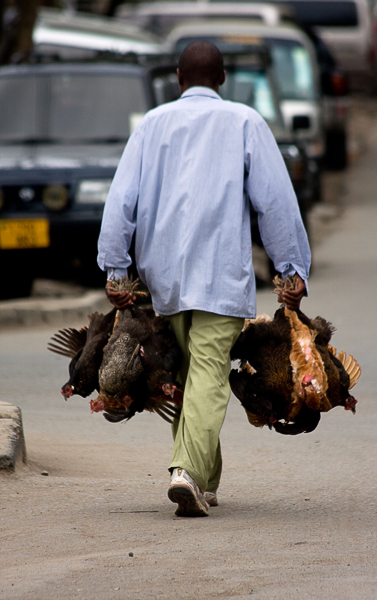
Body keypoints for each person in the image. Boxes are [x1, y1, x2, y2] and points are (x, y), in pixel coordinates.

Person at [97, 42, 311, 518]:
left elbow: (120, 201)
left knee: (191, 373)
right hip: (219, 273)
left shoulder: (151, 125)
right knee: (209, 372)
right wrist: (291, 268)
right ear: (223, 78)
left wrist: (115, 268)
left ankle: (203, 480)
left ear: (178, 78)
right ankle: (187, 472)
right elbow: (274, 202)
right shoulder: (245, 122)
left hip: (164, 277)